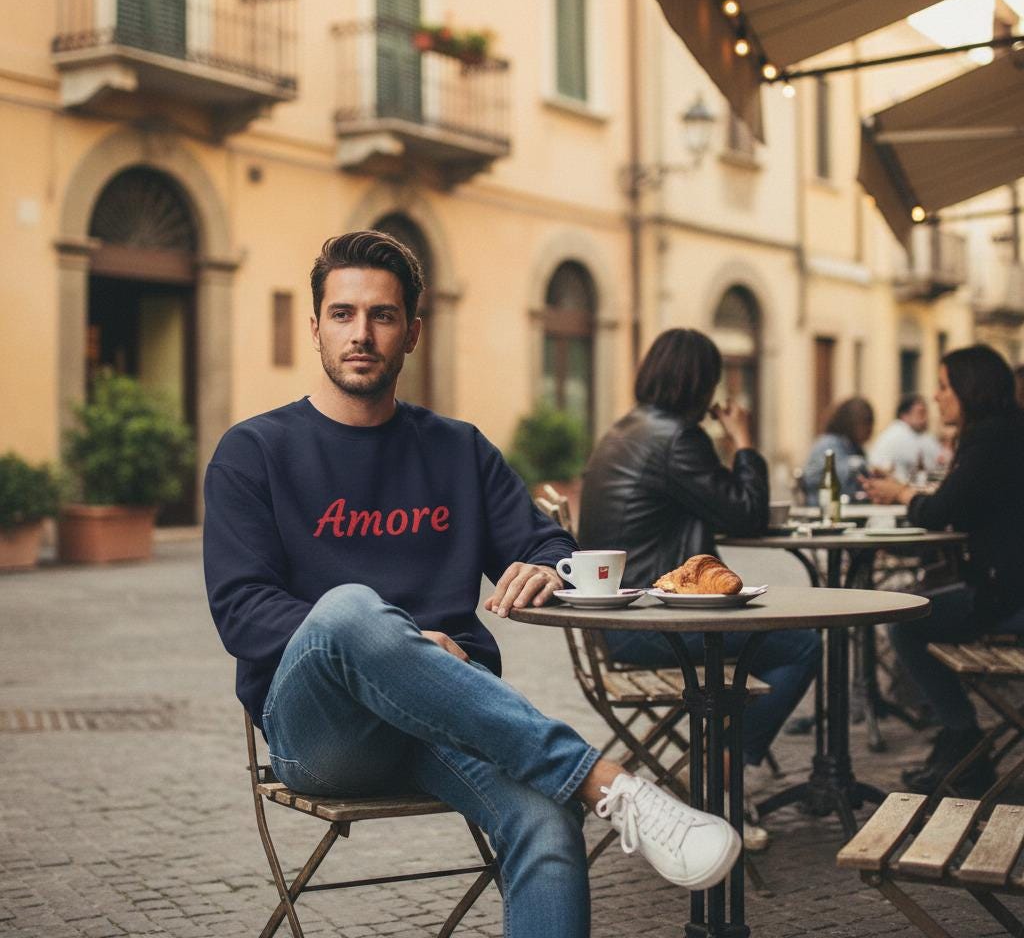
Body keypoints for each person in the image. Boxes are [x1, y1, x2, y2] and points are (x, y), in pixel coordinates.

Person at [203, 232, 742, 936]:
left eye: (383, 316)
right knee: (349, 611)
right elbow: (243, 611)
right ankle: (605, 783)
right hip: (325, 735)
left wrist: (548, 564)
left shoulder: (457, 448)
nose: (361, 334)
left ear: (414, 333)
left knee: (548, 822)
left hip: (445, 720)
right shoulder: (254, 452)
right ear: (315, 327)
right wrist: (398, 643)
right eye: (342, 314)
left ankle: (577, 787)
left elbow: (549, 541)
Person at [577, 329, 822, 845]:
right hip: (655, 623)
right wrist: (745, 442)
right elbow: (748, 513)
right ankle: (720, 770)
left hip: (622, 620)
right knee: (801, 643)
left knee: (774, 634)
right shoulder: (677, 440)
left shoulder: (626, 430)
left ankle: (715, 765)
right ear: (701, 383)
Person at [863, 344, 1024, 796]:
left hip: (1007, 596)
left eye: (944, 386)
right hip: (1004, 587)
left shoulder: (991, 438)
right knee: (917, 606)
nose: (936, 397)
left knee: (905, 620)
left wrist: (898, 493)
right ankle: (956, 741)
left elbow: (939, 511)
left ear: (969, 390)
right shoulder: (1003, 434)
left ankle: (963, 737)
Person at [802, 397, 874, 504]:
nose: (870, 430)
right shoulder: (828, 443)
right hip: (822, 507)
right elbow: (837, 476)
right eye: (865, 424)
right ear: (851, 423)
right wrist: (865, 467)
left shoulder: (854, 447)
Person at [869, 393, 944, 482]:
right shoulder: (899, 433)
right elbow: (933, 463)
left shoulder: (918, 434)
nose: (926, 418)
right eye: (921, 413)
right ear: (904, 416)